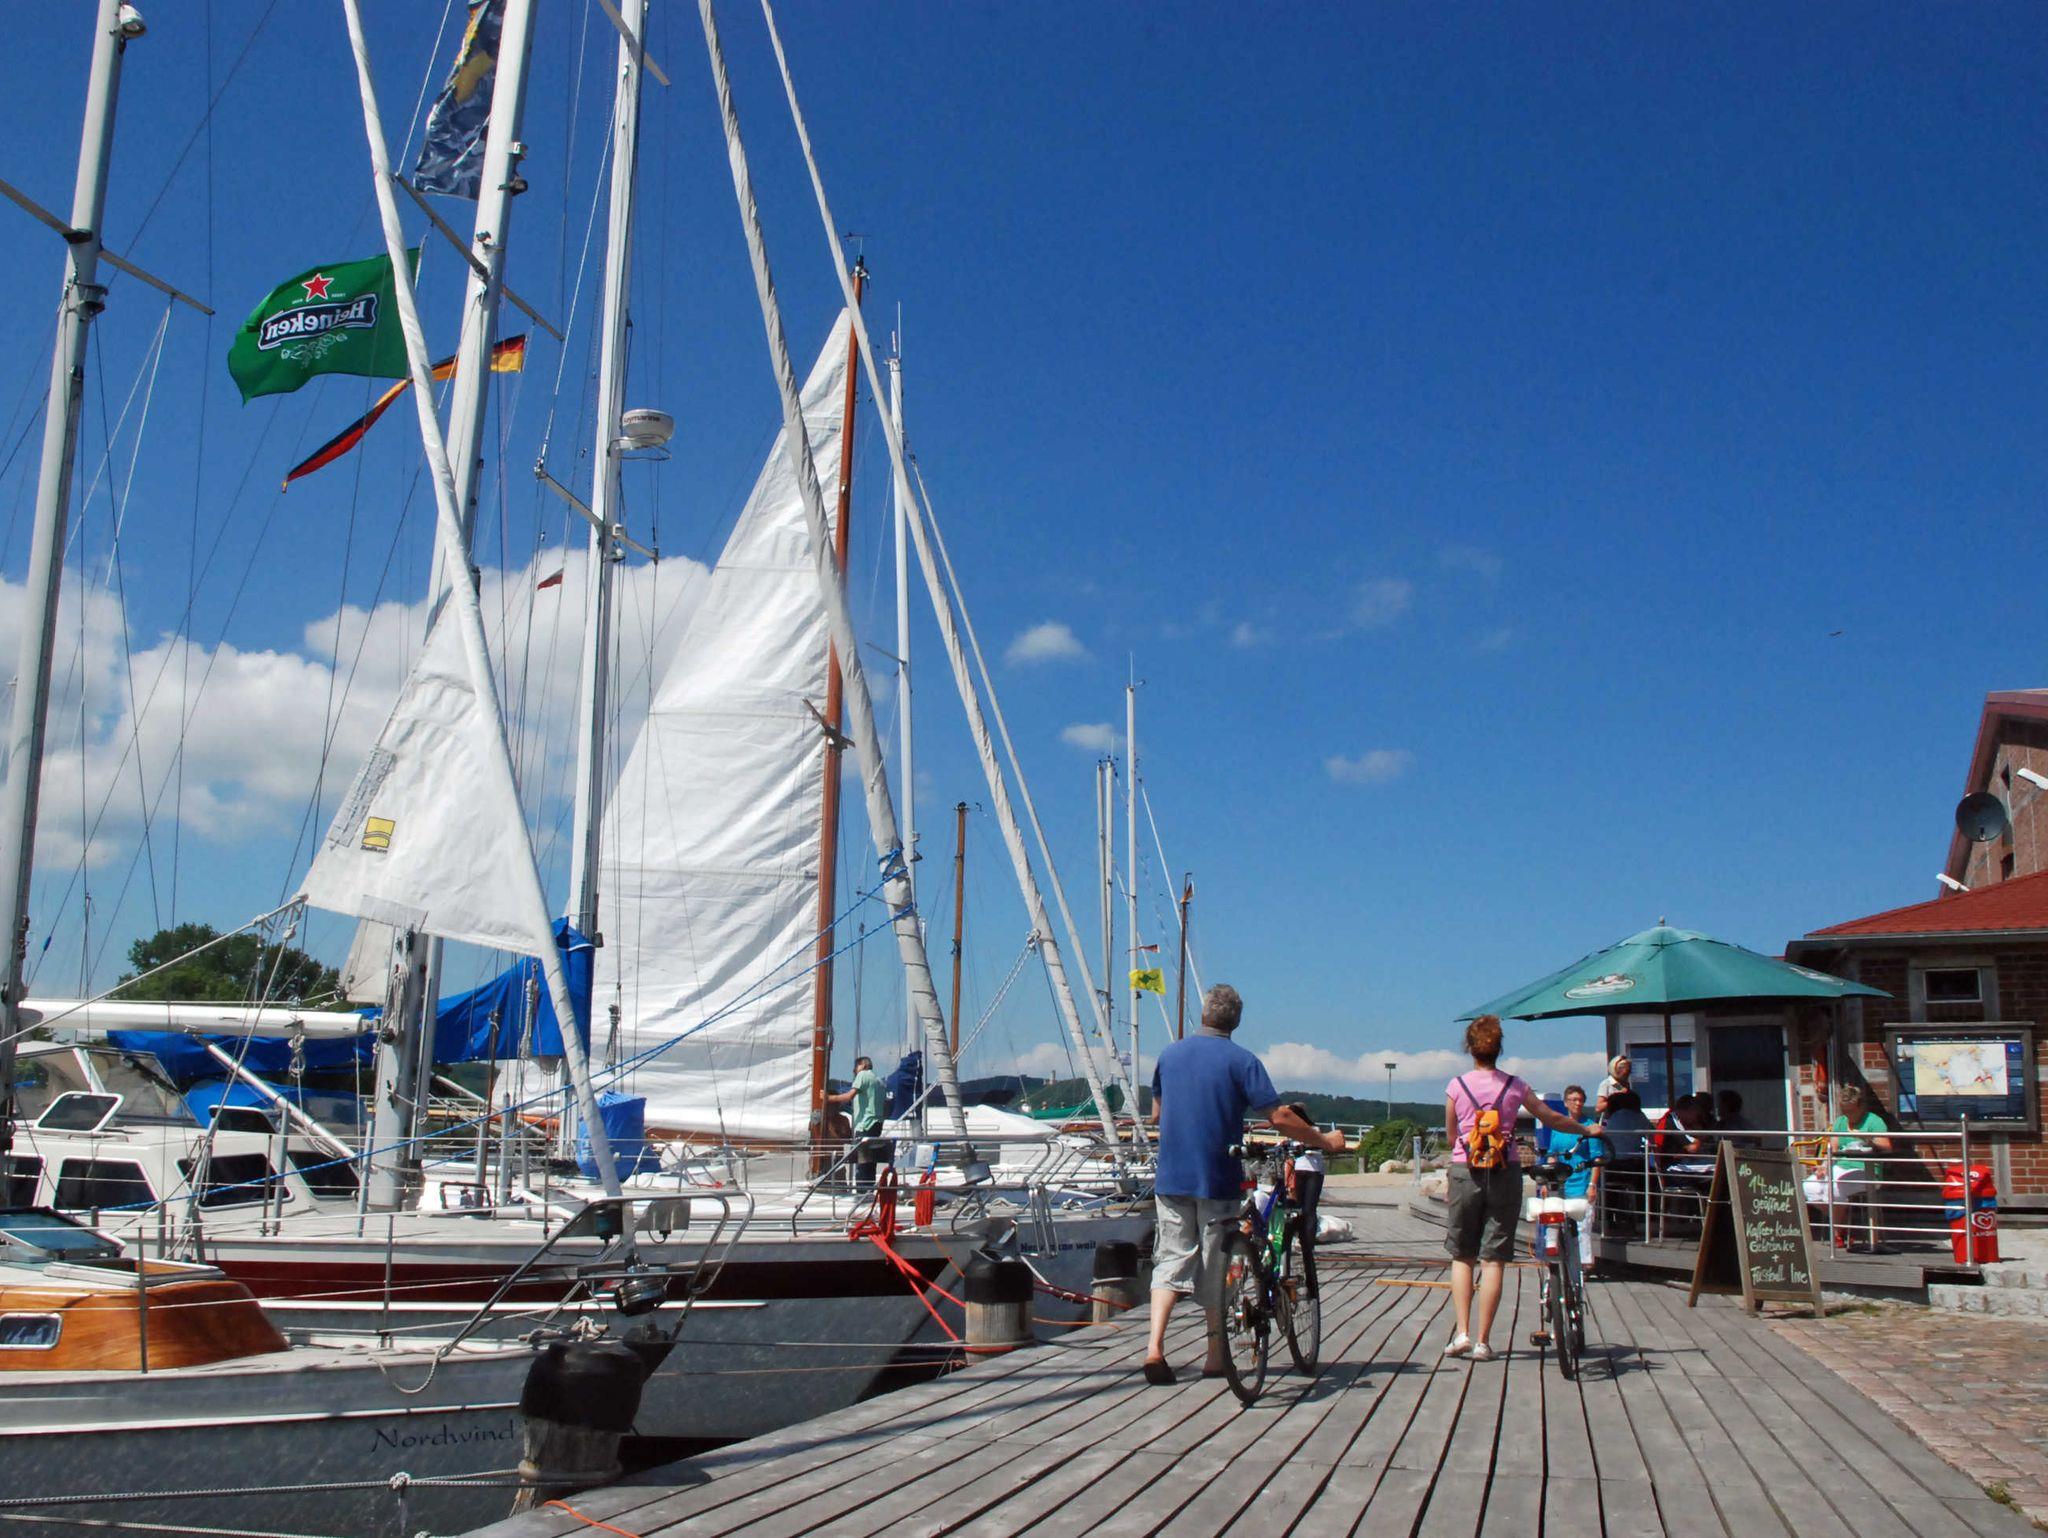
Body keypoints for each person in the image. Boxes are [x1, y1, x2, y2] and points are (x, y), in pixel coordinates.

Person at [1143, 985, 1344, 1385]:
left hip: (1171, 1176)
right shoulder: (1242, 1060)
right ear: (1236, 1021)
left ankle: (1154, 1349)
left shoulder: (1169, 1055)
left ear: (1204, 1013)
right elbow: (1279, 1116)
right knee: (1216, 1265)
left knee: (1171, 1259)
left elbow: (1156, 1114)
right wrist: (1323, 1141)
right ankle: (1214, 1356)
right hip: (1216, 1176)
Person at [1444, 1015, 1594, 1363]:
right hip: (1504, 1170)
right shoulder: (1515, 1086)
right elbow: (1551, 1118)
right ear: (1499, 1048)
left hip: (1465, 1171)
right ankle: (1483, 1342)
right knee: (1493, 1257)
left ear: (1470, 1048)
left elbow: (1452, 1136)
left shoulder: (1457, 1086)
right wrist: (1587, 1130)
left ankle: (1462, 1333)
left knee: (1462, 1255)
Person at [1802, 1083, 1893, 1248]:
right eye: (1845, 1111)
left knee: (1834, 1187)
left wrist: (1869, 1140)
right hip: (1841, 1165)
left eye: (1851, 1111)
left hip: (1866, 1168)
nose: (1848, 1115)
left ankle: (1838, 1233)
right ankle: (1843, 1226)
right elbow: (1833, 1149)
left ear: (1861, 1107)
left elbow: (1887, 1147)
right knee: (1808, 1186)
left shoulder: (1874, 1121)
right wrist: (1824, 1166)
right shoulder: (1840, 1122)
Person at [1540, 1085, 1606, 1276]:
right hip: (1561, 1182)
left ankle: (1584, 1264)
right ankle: (1552, 1254)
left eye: (1580, 1100)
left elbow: (1596, 1158)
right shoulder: (1559, 1127)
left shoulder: (1589, 1127)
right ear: (1566, 1103)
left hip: (1581, 1180)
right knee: (1553, 1217)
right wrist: (1547, 1181)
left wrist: (1592, 1184)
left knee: (1582, 1224)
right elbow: (1553, 1155)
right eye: (1573, 1100)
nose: (1577, 1103)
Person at [824, 1055, 888, 1191]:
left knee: (862, 1163)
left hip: (865, 1124)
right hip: (877, 1124)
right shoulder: (879, 1081)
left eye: (856, 1067)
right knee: (870, 1163)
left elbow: (849, 1096)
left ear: (863, 1065)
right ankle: (868, 1190)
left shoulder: (863, 1075)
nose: (854, 1071)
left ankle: (861, 1191)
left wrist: (828, 1098)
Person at [1597, 1089, 1654, 1236]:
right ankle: (1642, 1219)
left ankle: (1607, 1219)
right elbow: (1651, 1134)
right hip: (1631, 1163)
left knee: (1610, 1188)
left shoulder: (1612, 1118)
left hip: (1611, 1164)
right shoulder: (1638, 1116)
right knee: (1647, 1182)